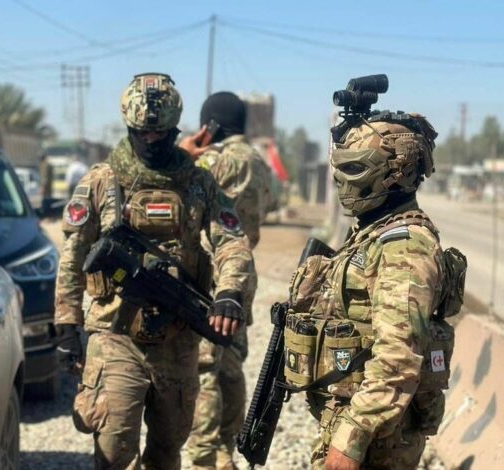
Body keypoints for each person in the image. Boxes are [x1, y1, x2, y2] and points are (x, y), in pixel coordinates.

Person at [53, 73, 254, 470]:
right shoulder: (102, 181)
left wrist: (230, 292)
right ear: (129, 127)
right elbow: (72, 255)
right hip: (115, 336)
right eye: (141, 132)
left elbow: (232, 241)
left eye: (159, 133)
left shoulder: (198, 183)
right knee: (113, 451)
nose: (149, 140)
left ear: (174, 129)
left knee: (167, 451)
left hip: (177, 340)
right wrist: (65, 324)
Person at [284, 111, 461, 469]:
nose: (341, 180)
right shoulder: (373, 233)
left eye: (354, 169)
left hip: (379, 439)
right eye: (339, 168)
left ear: (398, 173)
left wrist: (352, 439)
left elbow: (398, 359)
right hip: (357, 418)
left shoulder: (405, 246)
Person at [179, 92, 273, 470]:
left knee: (205, 369)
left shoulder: (214, 161)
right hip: (243, 274)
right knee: (232, 364)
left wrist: (184, 154)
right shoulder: (260, 162)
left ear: (211, 125)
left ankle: (204, 456)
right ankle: (224, 452)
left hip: (212, 275)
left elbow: (181, 190)